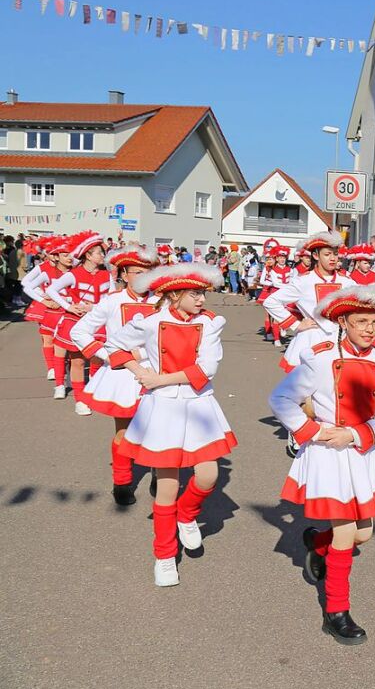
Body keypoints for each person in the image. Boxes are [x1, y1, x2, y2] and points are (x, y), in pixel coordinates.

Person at [269, 285, 375, 644]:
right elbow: (281, 397)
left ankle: (317, 544)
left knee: (362, 533)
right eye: (361, 321)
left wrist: (358, 435)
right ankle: (336, 611)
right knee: (347, 536)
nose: (370, 329)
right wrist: (311, 430)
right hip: (327, 453)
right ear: (343, 321)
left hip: (360, 452)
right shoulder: (322, 357)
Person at [105, 263, 236, 587]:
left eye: (203, 293)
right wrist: (139, 371)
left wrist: (159, 377)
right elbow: (114, 346)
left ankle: (187, 515)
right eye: (195, 293)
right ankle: (164, 556)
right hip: (162, 408)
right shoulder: (151, 323)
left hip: (199, 406)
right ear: (174, 295)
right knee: (166, 486)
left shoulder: (210, 324)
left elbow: (206, 369)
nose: (202, 299)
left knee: (208, 475)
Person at [70, 244, 159, 506]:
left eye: (148, 271)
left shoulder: (161, 301)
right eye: (136, 271)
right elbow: (80, 332)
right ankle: (121, 481)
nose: (143, 276)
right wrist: (109, 356)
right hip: (123, 375)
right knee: (124, 431)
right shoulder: (112, 301)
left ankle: (159, 473)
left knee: (158, 428)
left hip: (157, 374)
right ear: (123, 274)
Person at [263, 231, 353, 375]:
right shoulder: (303, 281)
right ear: (316, 255)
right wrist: (296, 324)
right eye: (327, 254)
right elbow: (271, 301)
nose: (333, 258)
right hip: (312, 337)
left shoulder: (347, 282)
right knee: (306, 388)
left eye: (335, 254)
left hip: (339, 339)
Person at [47, 232, 112, 416]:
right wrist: (69, 306)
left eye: (102, 253)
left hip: (98, 322)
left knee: (97, 358)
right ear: (88, 255)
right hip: (76, 322)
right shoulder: (74, 274)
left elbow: (112, 299)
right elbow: (52, 289)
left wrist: (95, 307)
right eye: (99, 253)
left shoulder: (107, 276)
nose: (102, 256)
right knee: (76, 361)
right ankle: (79, 399)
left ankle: (92, 390)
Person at [21, 237, 71, 380]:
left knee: (63, 338)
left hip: (65, 305)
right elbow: (26, 282)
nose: (53, 255)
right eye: (49, 252)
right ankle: (52, 368)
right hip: (46, 306)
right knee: (47, 338)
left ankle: (62, 364)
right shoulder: (42, 267)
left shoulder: (70, 268)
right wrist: (42, 295)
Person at [260, 247, 294, 346]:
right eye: (280, 257)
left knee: (288, 314)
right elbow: (276, 283)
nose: (282, 259)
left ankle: (283, 327)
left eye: (284, 257)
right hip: (276, 294)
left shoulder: (290, 270)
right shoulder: (273, 270)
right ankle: (276, 338)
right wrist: (288, 287)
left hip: (287, 295)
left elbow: (292, 281)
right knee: (274, 317)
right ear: (277, 259)